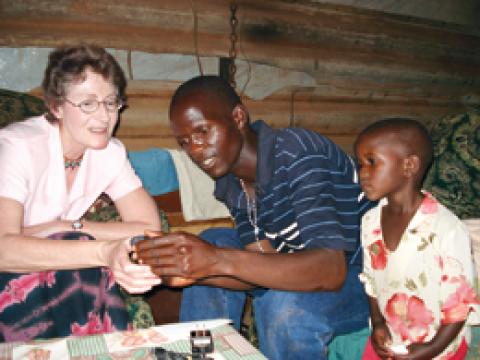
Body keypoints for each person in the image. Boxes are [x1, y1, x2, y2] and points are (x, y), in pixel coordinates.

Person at [135, 75, 372, 359]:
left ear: (237, 117)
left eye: (203, 131)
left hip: (363, 276)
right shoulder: (231, 185)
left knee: (282, 306)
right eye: (185, 142)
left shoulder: (298, 152)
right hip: (306, 264)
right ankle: (202, 356)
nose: (195, 150)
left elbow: (331, 270)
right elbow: (261, 264)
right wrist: (196, 271)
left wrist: (216, 260)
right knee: (213, 241)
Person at [0, 44, 162, 342]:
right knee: (80, 252)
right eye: (88, 103)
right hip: (8, 277)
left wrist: (70, 226)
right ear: (56, 107)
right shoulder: (18, 146)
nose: (104, 116)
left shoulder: (110, 153)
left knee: (74, 243)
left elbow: (150, 229)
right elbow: (3, 250)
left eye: (111, 102)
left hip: (59, 272)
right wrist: (101, 250)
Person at [354, 118, 480, 359]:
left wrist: (430, 349)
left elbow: (459, 307)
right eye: (360, 164)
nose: (362, 173)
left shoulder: (447, 229)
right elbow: (370, 281)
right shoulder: (370, 221)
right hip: (393, 335)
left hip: (440, 342)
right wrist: (378, 323)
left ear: (409, 166)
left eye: (372, 162)